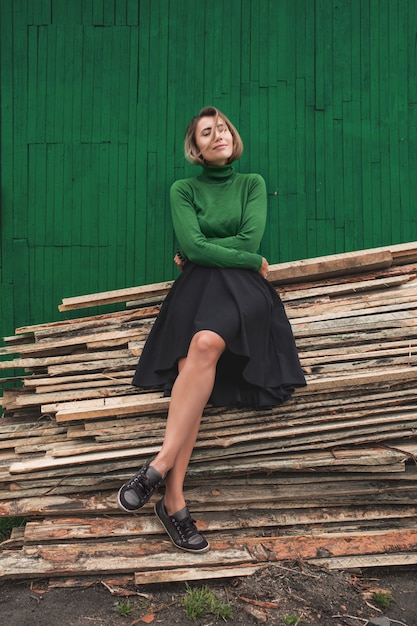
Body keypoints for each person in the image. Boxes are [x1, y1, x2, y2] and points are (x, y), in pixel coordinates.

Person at [117, 106, 306, 553]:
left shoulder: (252, 184)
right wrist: (231, 256)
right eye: (207, 132)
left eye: (222, 128)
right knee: (193, 369)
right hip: (197, 289)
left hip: (242, 292)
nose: (218, 135)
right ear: (196, 148)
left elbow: (246, 240)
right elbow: (200, 247)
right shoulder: (182, 189)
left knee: (205, 343)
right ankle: (174, 503)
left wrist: (208, 251)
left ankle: (157, 466)